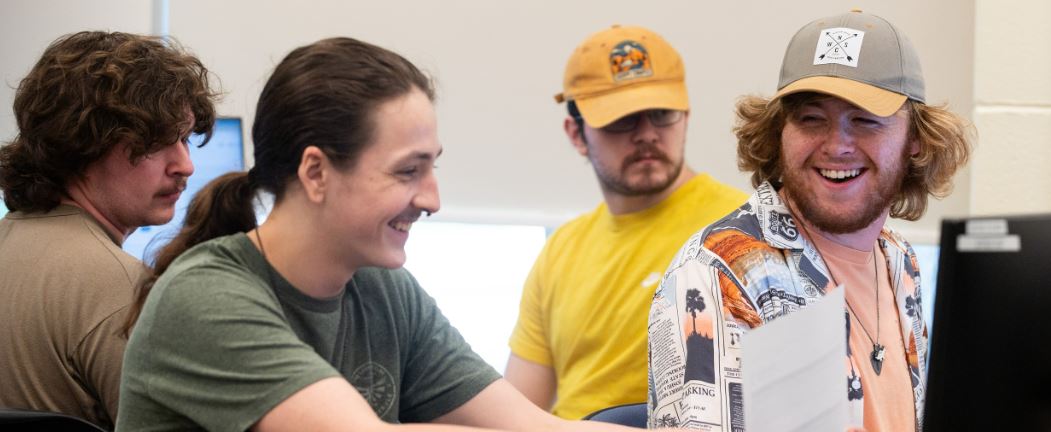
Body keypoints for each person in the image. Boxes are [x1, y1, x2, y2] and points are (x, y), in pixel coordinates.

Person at [116, 36, 690, 432]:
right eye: (408, 171)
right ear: (316, 172)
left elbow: (534, 426)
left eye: (433, 167)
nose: (432, 199)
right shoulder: (206, 299)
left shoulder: (383, 291)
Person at [647, 10, 973, 432]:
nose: (837, 145)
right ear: (779, 131)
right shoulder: (718, 276)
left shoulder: (899, 261)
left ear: (915, 139)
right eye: (811, 119)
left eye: (865, 120)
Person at [506, 25, 747, 419]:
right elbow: (515, 411)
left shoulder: (740, 232)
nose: (647, 134)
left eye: (661, 114)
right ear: (577, 133)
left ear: (685, 115)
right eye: (622, 119)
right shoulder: (561, 250)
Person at [0, 31, 216, 429]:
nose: (185, 165)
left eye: (184, 138)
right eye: (156, 141)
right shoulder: (120, 288)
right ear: (82, 141)